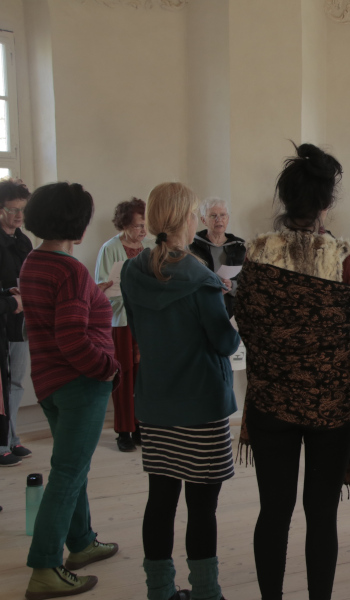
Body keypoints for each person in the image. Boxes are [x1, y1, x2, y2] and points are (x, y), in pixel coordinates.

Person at [234, 143, 350, 600]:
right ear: (326, 204)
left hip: (271, 403)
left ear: (286, 201)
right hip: (332, 409)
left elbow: (248, 323)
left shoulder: (257, 253)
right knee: (321, 514)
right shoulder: (342, 258)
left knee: (273, 512)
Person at [121, 182, 240, 600]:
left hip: (156, 402)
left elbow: (138, 331)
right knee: (202, 508)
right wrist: (233, 315)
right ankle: (206, 592)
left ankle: (159, 592)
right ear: (183, 220)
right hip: (201, 405)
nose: (196, 221)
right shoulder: (200, 278)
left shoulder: (132, 271)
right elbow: (224, 344)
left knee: (160, 501)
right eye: (193, 214)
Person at [19, 182, 120, 600]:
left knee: (70, 466)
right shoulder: (71, 271)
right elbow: (73, 339)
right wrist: (108, 369)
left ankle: (81, 543)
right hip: (79, 384)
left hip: (49, 383)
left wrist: (95, 296)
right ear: (77, 224)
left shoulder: (33, 261)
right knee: (68, 473)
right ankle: (45, 567)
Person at [95, 198, 155, 453]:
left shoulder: (150, 247)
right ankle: (123, 430)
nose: (143, 230)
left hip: (147, 321)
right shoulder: (110, 248)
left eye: (145, 225)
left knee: (145, 376)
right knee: (124, 375)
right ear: (125, 225)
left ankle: (141, 426)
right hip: (121, 321)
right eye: (138, 226)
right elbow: (101, 289)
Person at [0, 178, 31, 466]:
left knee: (18, 381)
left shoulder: (24, 241)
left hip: (21, 320)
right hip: (2, 317)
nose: (19, 215)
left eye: (23, 209)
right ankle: (2, 442)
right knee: (2, 385)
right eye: (13, 210)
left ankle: (12, 437)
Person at [189, 197, 246, 318]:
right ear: (203, 220)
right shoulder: (193, 247)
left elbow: (248, 281)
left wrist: (232, 285)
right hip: (202, 309)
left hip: (233, 310)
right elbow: (188, 279)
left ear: (228, 219)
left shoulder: (239, 247)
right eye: (213, 215)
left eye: (223, 215)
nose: (218, 219)